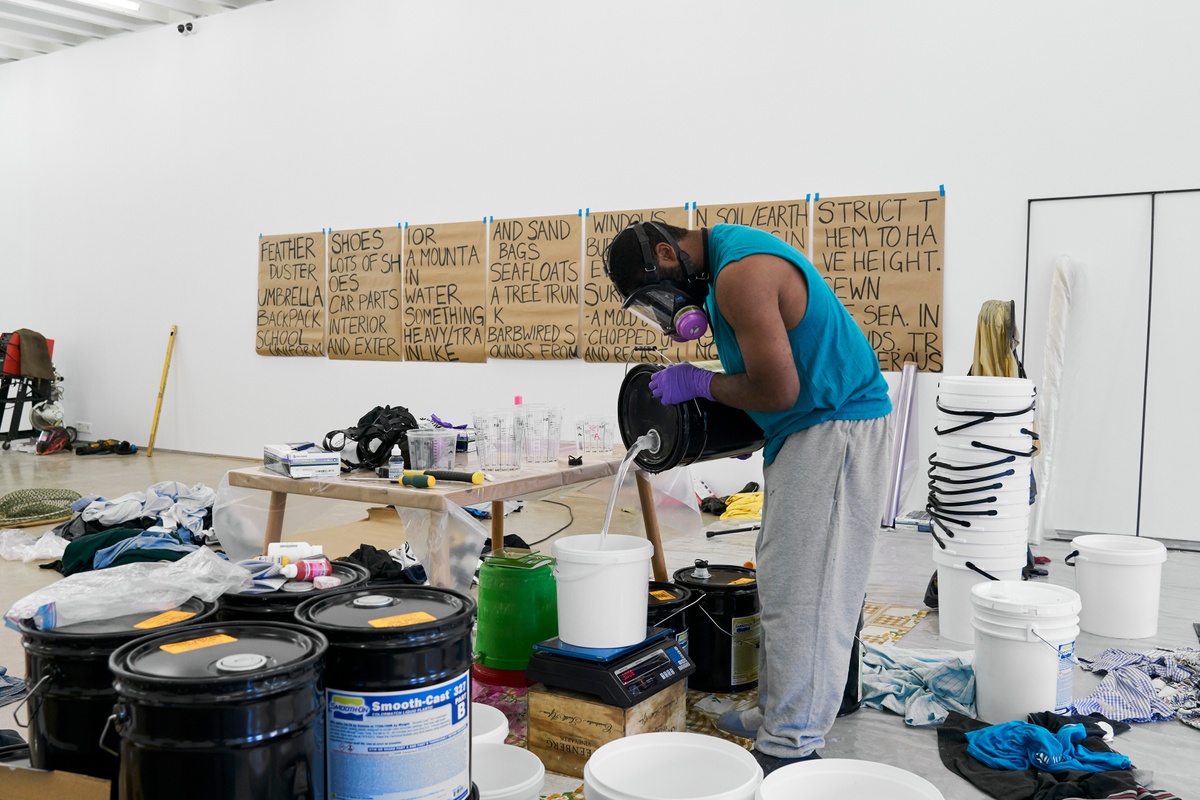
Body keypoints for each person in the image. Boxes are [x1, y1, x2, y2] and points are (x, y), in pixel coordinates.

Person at [604, 221, 894, 775]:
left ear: (669, 253)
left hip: (836, 430)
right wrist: (757, 426)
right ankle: (779, 710)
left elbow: (779, 388)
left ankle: (792, 744)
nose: (668, 309)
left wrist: (700, 384)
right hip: (806, 426)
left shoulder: (740, 275)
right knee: (784, 578)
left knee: (810, 591)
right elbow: (780, 374)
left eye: (658, 296)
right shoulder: (724, 265)